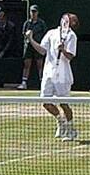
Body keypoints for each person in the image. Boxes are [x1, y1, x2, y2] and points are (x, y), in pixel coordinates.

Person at [26, 13, 79, 141]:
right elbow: (42, 50)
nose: (67, 21)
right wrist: (31, 39)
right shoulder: (51, 33)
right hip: (48, 72)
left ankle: (71, 130)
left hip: (63, 74)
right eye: (66, 19)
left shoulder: (72, 36)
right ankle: (61, 121)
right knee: (45, 102)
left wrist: (63, 50)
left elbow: (71, 56)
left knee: (64, 103)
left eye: (71, 21)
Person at [18, 5, 47, 89]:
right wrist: (28, 37)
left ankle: (43, 83)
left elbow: (44, 34)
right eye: (32, 12)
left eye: (35, 12)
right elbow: (24, 34)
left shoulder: (41, 23)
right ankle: (24, 83)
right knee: (27, 64)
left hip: (38, 46)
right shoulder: (27, 23)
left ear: (37, 13)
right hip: (28, 47)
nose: (33, 13)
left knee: (40, 65)